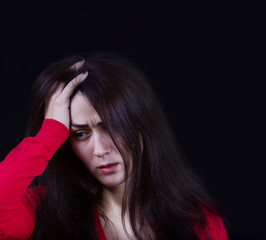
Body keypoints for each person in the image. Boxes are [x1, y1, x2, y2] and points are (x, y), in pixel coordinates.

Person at [0, 52, 229, 240]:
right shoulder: (43, 210)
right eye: (80, 134)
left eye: (111, 128)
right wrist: (49, 134)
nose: (99, 150)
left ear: (140, 125)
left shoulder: (198, 222)